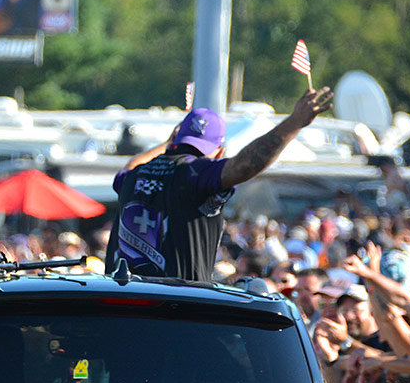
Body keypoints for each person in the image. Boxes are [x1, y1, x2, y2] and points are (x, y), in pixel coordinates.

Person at [104, 87, 333, 281]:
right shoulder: (197, 172)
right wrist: (294, 123)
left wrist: (167, 143)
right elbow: (244, 166)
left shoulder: (134, 176)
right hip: (176, 306)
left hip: (119, 303)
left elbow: (131, 165)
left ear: (176, 141)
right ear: (219, 151)